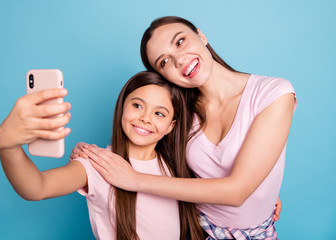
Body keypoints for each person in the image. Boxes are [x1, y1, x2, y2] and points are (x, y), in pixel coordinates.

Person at [71, 16, 296, 239]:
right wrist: (91, 156)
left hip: (255, 233)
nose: (178, 60)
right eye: (164, 62)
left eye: (180, 41)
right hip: (190, 227)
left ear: (201, 35)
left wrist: (261, 189)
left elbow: (238, 192)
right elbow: (151, 155)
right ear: (162, 76)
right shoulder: (178, 114)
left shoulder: (273, 93)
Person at [0, 71, 204, 240]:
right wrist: (8, 147)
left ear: (171, 126)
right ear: (123, 107)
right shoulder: (97, 163)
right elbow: (36, 187)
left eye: (159, 113)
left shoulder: (174, 164)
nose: (145, 118)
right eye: (137, 105)